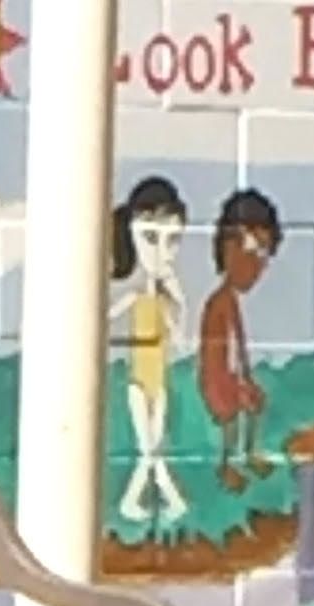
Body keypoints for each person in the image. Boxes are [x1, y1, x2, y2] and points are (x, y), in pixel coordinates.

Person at [113, 175, 191, 528]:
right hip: (137, 379)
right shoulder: (133, 298)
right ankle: (163, 499)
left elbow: (181, 339)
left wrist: (180, 302)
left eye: (172, 241)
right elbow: (101, 322)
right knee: (148, 448)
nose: (162, 252)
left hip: (158, 377)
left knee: (153, 446)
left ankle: (140, 501)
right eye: (150, 238)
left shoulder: (162, 300)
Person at [197, 187, 281, 495]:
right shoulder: (218, 303)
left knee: (254, 405)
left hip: (233, 377)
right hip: (220, 379)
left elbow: (239, 346)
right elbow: (215, 352)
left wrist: (246, 378)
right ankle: (229, 463)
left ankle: (248, 455)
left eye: (263, 255)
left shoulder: (230, 302)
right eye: (252, 252)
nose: (258, 267)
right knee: (233, 419)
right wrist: (230, 384)